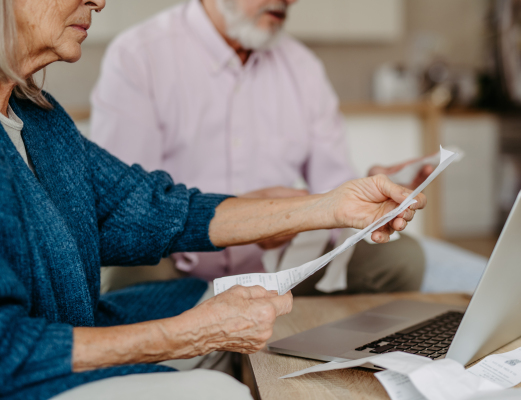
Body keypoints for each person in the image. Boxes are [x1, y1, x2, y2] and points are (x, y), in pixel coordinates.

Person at [0, 0, 426, 399]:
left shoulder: (41, 117)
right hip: (39, 367)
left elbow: (154, 207)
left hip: (77, 329)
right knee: (224, 388)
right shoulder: (143, 53)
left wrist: (329, 206)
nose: (98, 0)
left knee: (243, 317)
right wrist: (188, 333)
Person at [91, 0, 433, 295]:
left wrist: (367, 187)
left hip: (282, 264)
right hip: (178, 264)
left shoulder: (303, 68)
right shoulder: (138, 56)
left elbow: (332, 191)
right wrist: (257, 217)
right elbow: (127, 210)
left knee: (402, 259)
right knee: (127, 273)